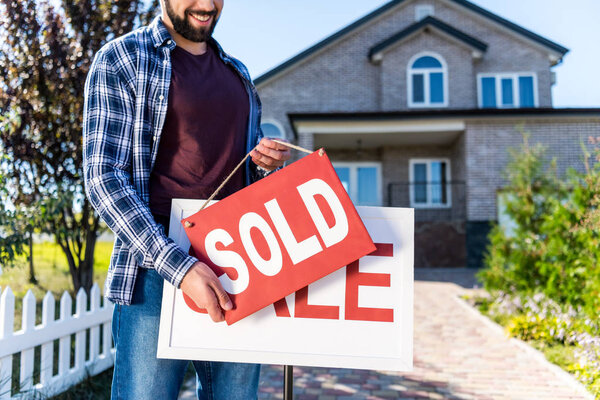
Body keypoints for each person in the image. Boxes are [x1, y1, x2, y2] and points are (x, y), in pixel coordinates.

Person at [83, 0, 291, 398]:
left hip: (239, 269)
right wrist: (180, 268)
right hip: (155, 271)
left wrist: (264, 166)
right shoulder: (122, 59)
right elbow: (103, 179)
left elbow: (243, 177)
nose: (208, 4)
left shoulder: (238, 74)